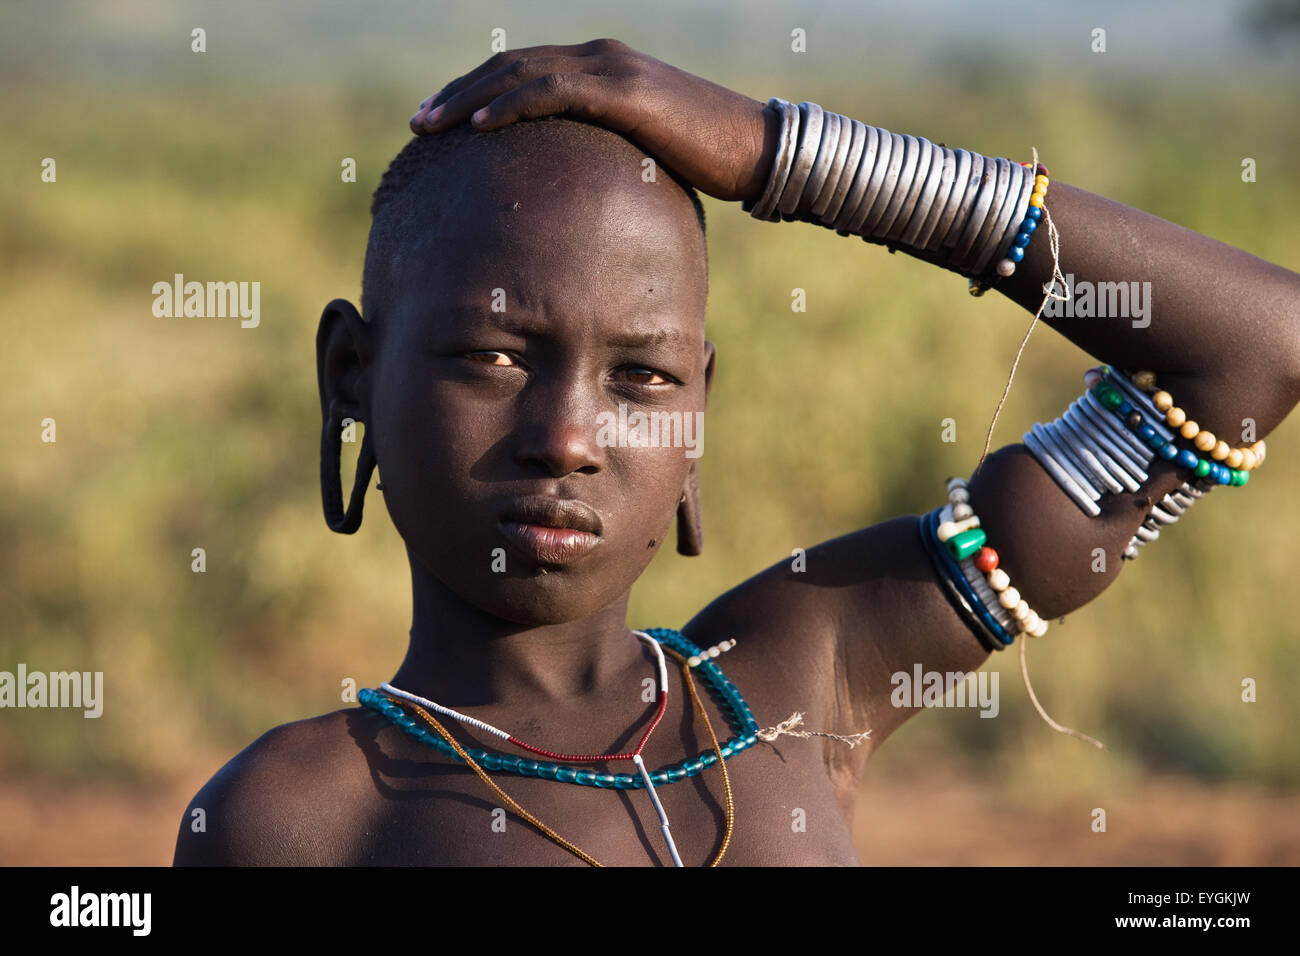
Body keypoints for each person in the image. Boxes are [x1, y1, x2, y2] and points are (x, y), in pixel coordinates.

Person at [173, 38, 1300, 866]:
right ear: (351, 377)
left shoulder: (804, 672)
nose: (567, 436)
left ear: (698, 415)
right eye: (495, 355)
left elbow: (1258, 348)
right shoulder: (298, 819)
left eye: (642, 377)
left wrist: (781, 154)